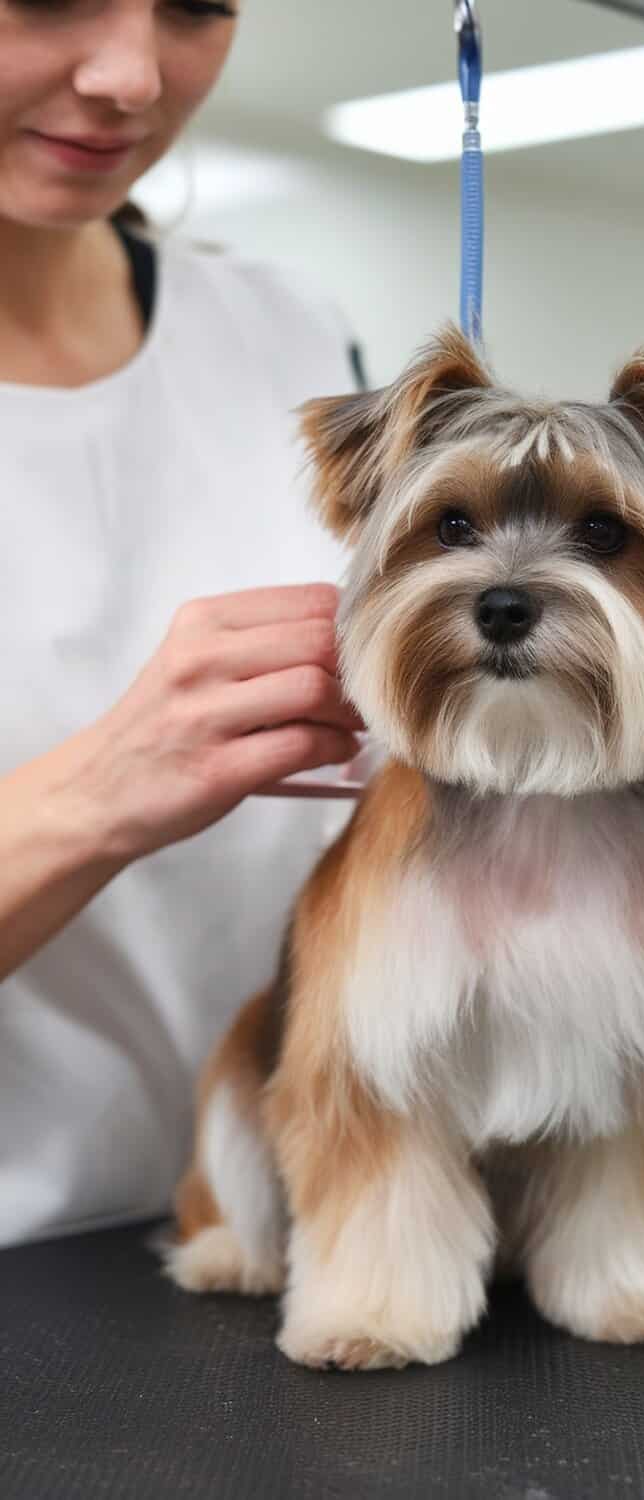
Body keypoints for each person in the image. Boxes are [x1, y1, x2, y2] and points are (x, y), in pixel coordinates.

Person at [0, 0, 366, 1249]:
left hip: (291, 1243)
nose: (131, 75)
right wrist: (97, 795)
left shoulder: (292, 336)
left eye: (197, 6)